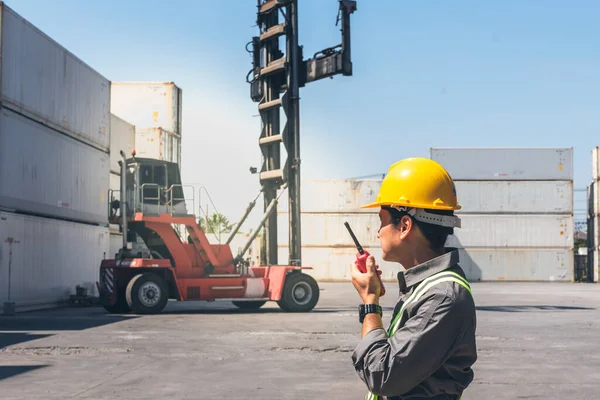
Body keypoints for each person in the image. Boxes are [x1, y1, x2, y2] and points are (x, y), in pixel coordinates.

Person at [350, 157, 477, 400]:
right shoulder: (426, 287)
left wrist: (370, 304)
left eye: (382, 222)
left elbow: (382, 375)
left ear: (405, 225)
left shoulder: (442, 297)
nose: (378, 233)